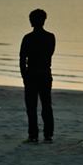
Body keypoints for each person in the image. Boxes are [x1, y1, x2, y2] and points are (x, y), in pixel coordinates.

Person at [19, 8, 56, 143]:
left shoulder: (28, 38)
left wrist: (24, 75)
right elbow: (49, 53)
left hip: (32, 74)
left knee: (32, 106)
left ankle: (33, 135)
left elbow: (22, 58)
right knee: (46, 105)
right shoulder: (50, 37)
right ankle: (48, 134)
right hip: (45, 73)